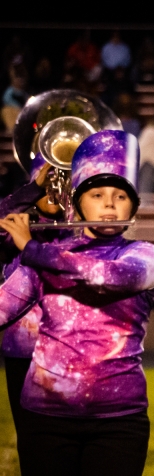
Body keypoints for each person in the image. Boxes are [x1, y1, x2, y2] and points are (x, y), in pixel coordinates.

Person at [0, 129, 154, 476]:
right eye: (97, 194)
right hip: (46, 422)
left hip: (118, 425)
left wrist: (31, 248)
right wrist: (9, 238)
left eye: (119, 196)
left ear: (133, 207)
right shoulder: (41, 258)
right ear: (78, 201)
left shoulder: (143, 255)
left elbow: (105, 275)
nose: (109, 204)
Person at [0, 158, 68, 437]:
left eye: (60, 181)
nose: (52, 189)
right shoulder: (16, 227)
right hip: (22, 349)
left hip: (67, 351)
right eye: (46, 183)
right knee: (29, 437)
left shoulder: (78, 229)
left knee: (63, 436)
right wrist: (34, 188)